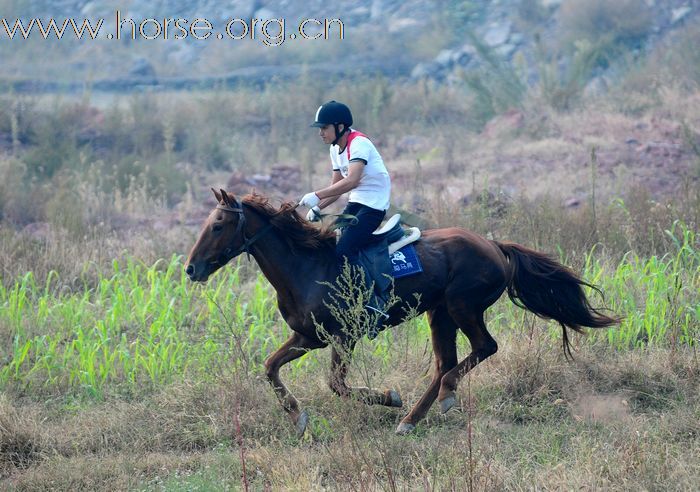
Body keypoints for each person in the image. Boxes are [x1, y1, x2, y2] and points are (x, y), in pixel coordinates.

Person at [299, 100, 392, 335]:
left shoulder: (358, 143)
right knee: (330, 241)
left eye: (324, 128)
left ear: (340, 126)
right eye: (319, 129)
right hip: (357, 201)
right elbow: (337, 186)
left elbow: (352, 181)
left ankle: (372, 303)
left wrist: (316, 195)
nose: (320, 133)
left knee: (345, 250)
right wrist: (319, 207)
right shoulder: (334, 148)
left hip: (374, 204)